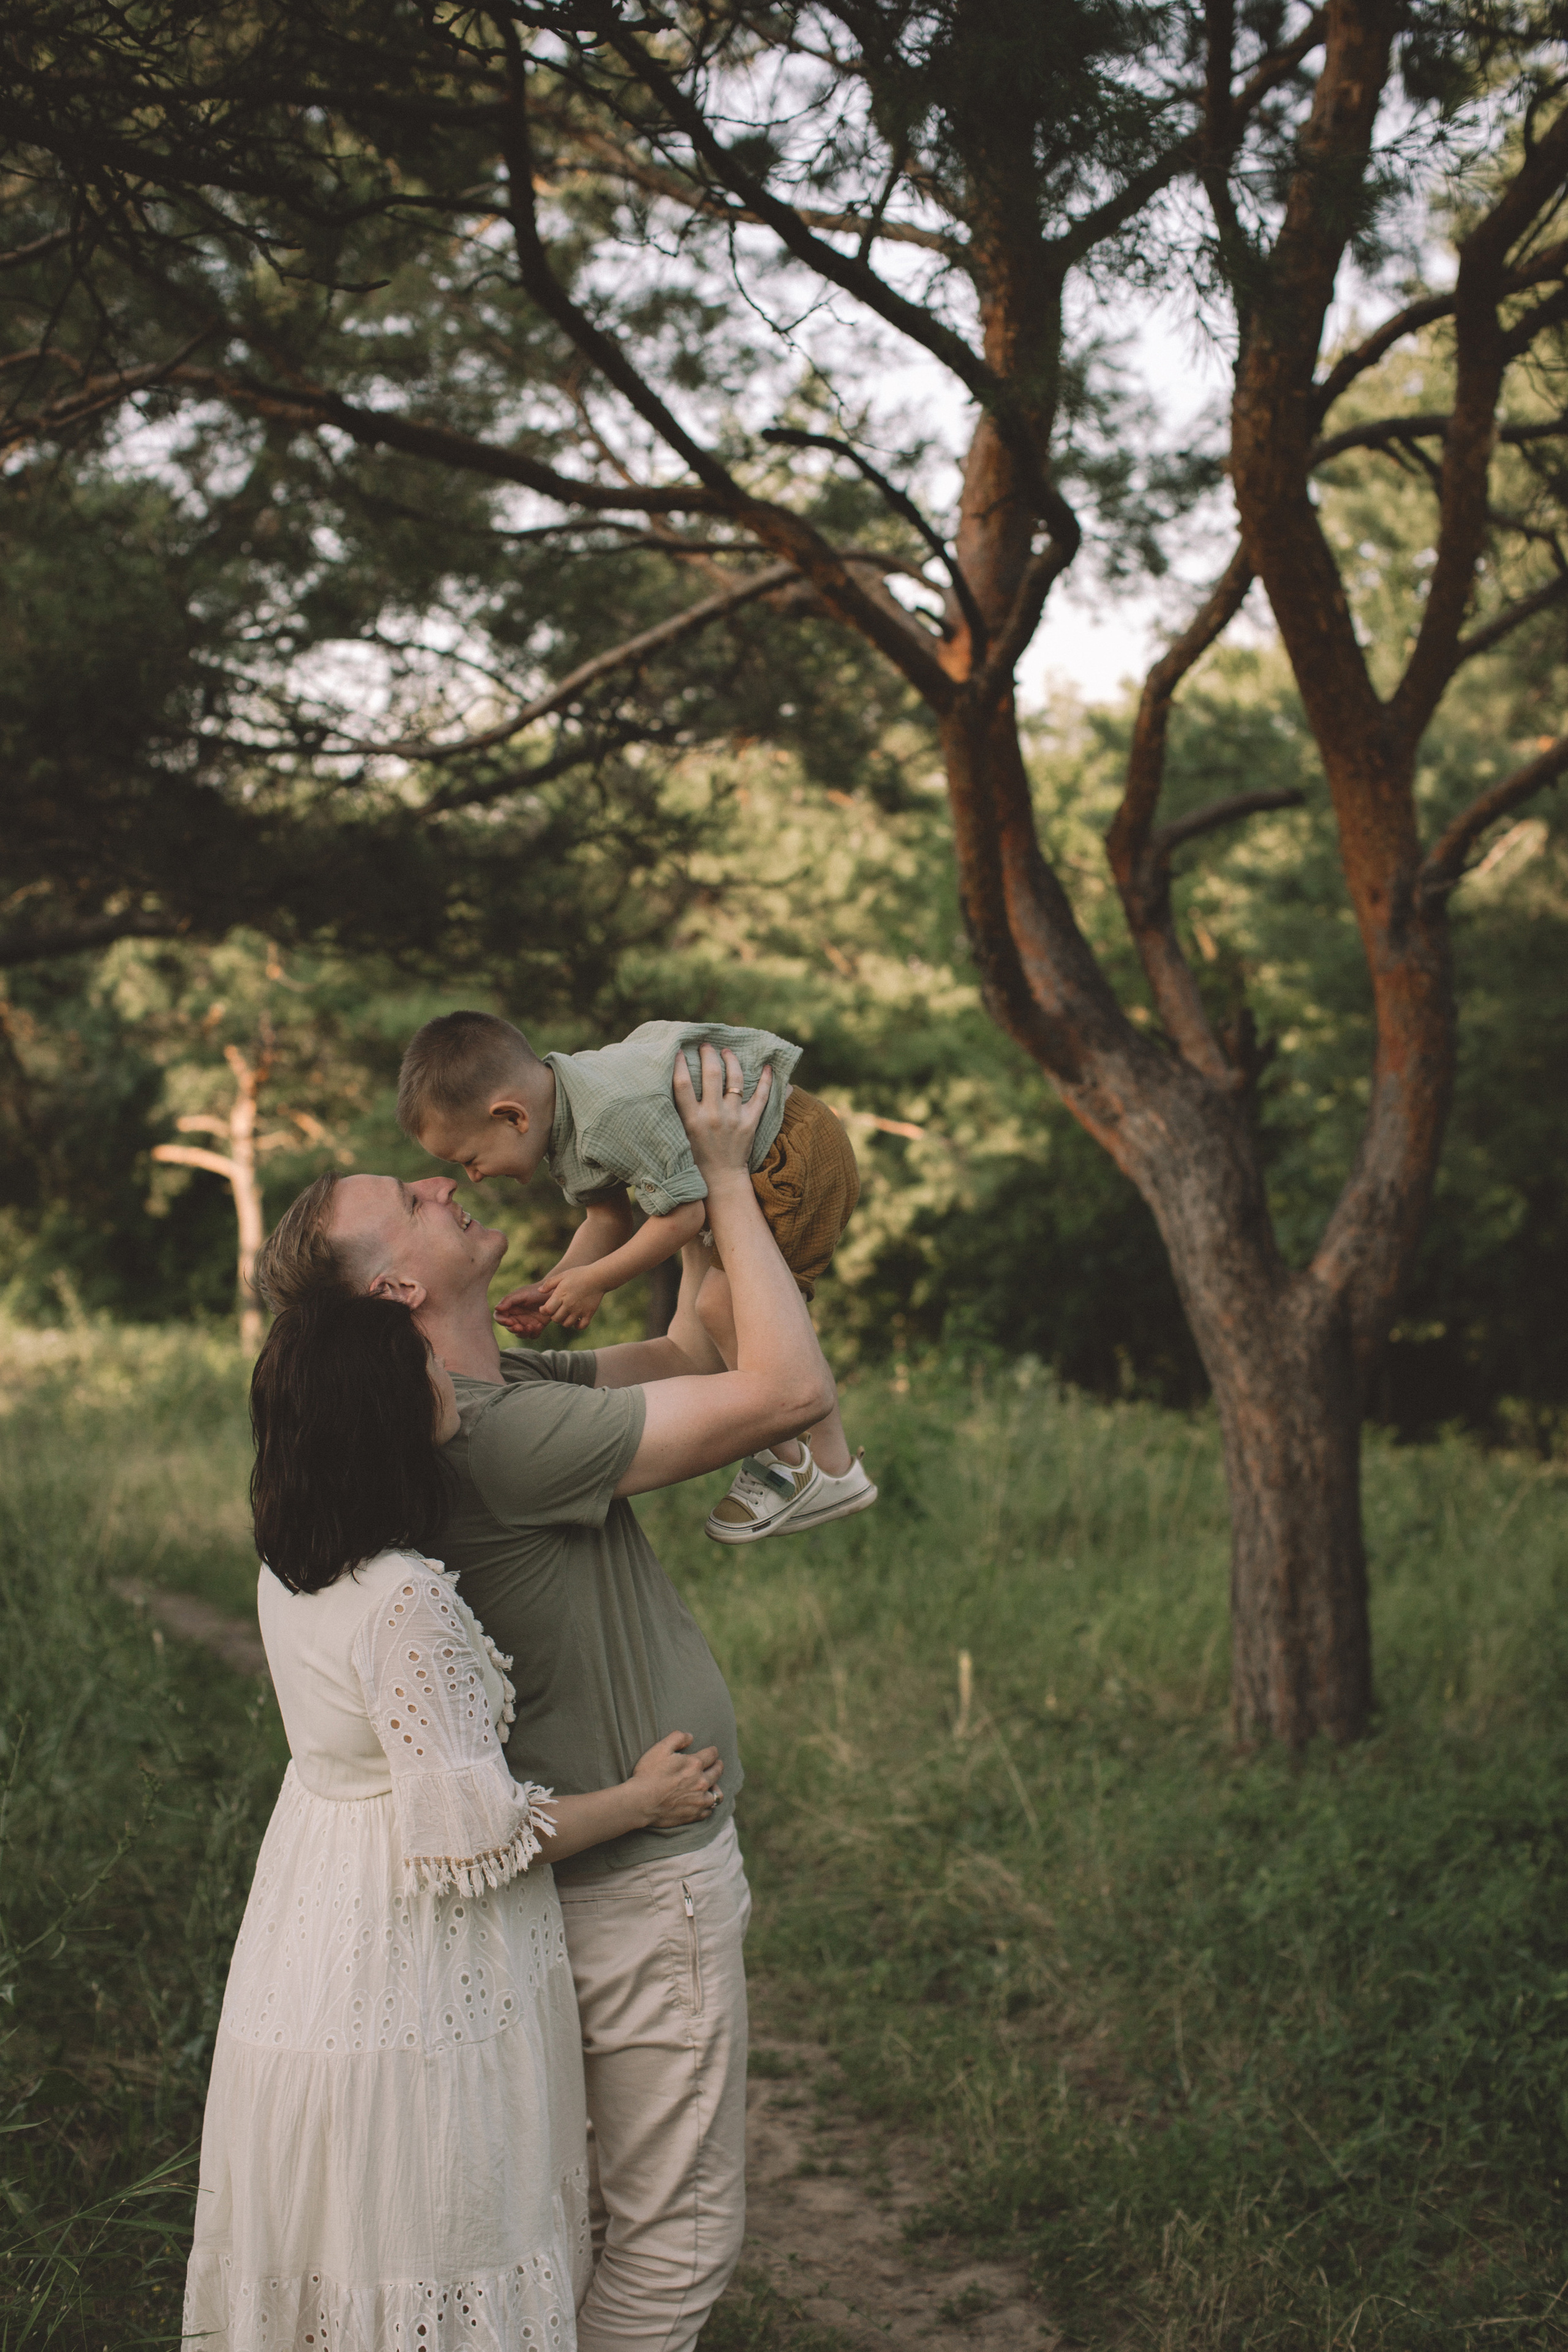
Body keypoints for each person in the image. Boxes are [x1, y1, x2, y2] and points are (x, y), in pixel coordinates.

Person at [252, 1048, 839, 2352]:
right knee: (674, 2242)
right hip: (639, 1884)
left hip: (574, 1887)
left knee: (576, 2223)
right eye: (406, 1200)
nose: (436, 1183)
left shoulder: (493, 1393)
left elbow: (689, 1349)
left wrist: (683, 1209)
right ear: (397, 1289)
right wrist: (725, 1181)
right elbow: (790, 1395)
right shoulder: (495, 1438)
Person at [183, 1292, 725, 2352]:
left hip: (312, 1923)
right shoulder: (403, 1602)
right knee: (433, 2215)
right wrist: (642, 1801)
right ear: (387, 1411)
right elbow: (472, 1838)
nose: (449, 1378)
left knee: (347, 2225)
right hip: (406, 1952)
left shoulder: (288, 1568)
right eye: (425, 1367)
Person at [394, 1009, 876, 1544]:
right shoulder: (562, 1126)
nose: (474, 1177)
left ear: (512, 1117)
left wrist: (597, 1281)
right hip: (751, 1164)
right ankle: (810, 1464)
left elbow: (684, 1216)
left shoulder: (606, 1116)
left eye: (470, 1158)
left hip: (792, 1149)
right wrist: (557, 1285)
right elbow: (607, 1220)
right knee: (718, 1310)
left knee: (719, 1307)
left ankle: (813, 1468)